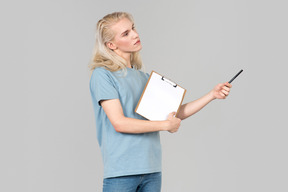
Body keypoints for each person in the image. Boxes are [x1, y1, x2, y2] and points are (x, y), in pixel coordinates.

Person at [89, 12, 232, 192]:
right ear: (111, 45)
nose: (135, 34)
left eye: (133, 28)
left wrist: (211, 95)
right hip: (122, 172)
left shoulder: (144, 77)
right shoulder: (103, 75)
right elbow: (119, 123)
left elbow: (175, 114)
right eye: (125, 33)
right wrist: (166, 125)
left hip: (152, 169)